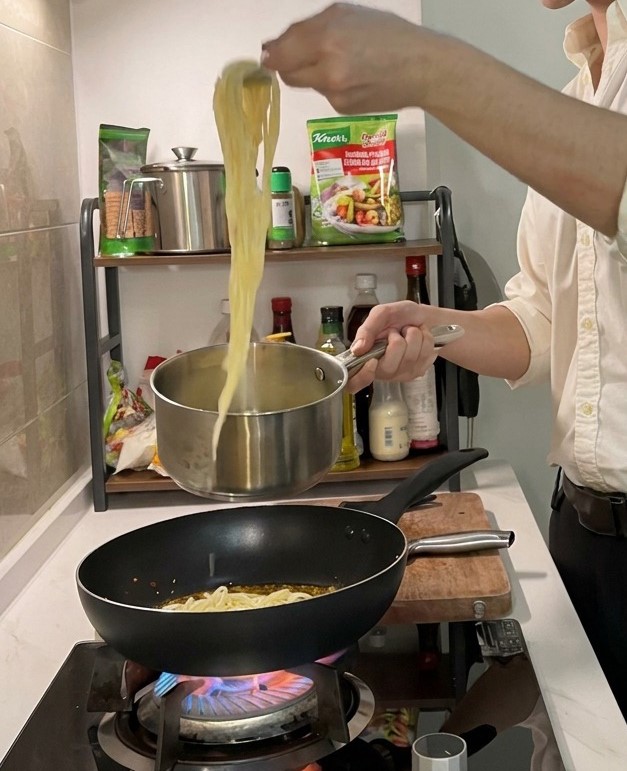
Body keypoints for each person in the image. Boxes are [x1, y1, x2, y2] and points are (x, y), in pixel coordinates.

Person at [262, 0, 627, 730]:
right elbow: (540, 320)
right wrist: (435, 327)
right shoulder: (579, 90)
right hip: (585, 535)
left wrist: (427, 64)